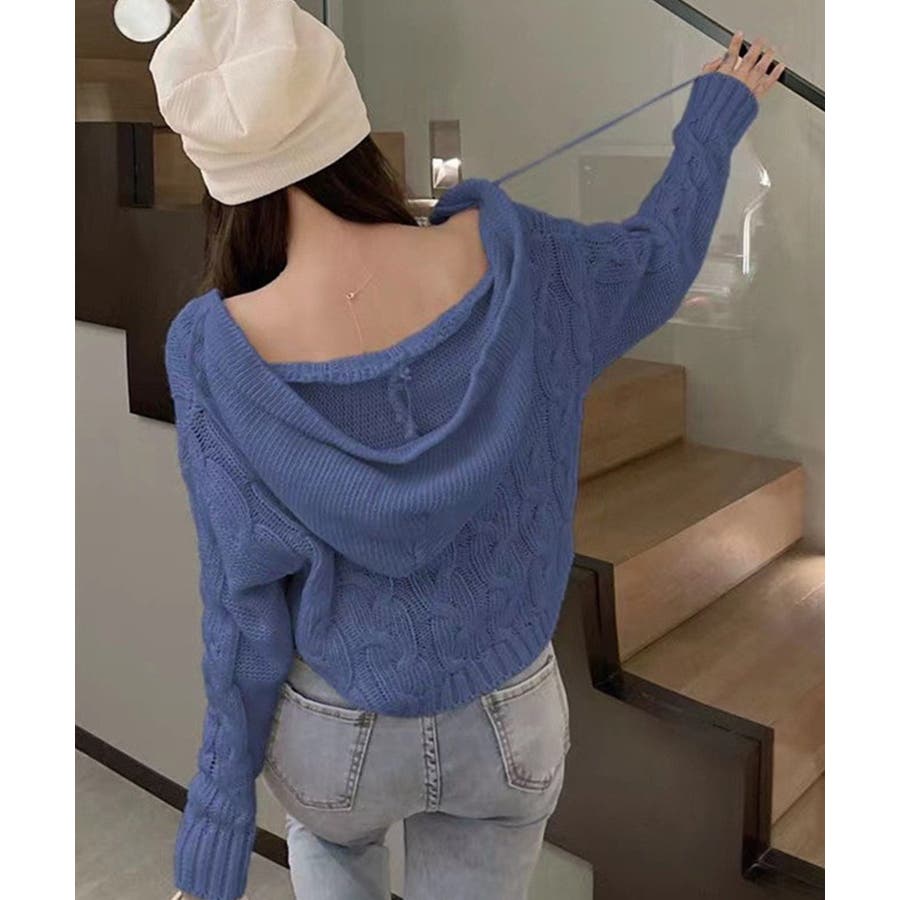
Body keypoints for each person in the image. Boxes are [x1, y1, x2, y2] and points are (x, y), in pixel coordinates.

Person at [148, 2, 784, 899]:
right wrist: (712, 121)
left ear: (218, 175)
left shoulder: (213, 353)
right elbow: (658, 258)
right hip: (505, 710)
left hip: (337, 726)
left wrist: (218, 810)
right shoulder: (522, 263)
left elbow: (240, 605)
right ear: (350, 120)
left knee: (330, 845)